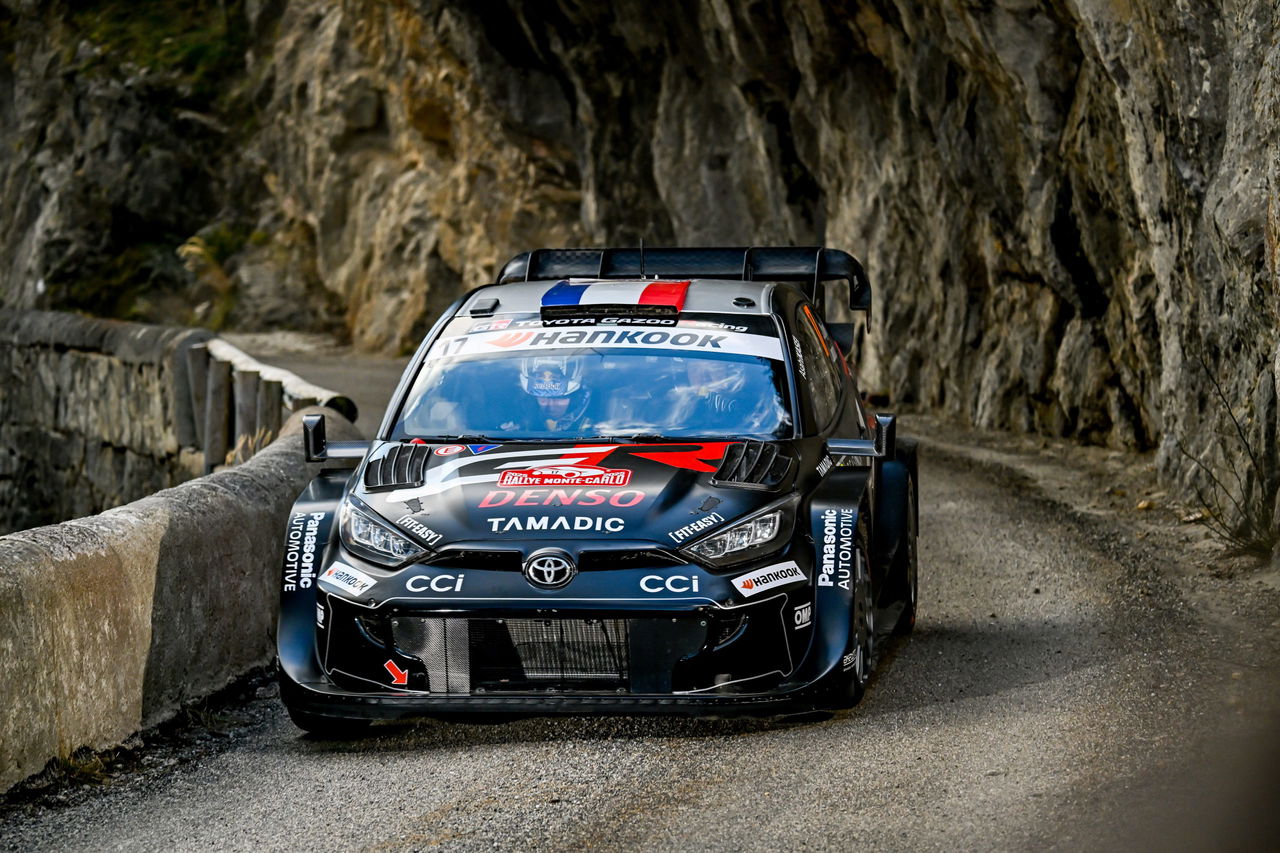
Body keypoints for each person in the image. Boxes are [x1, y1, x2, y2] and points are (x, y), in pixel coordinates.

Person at [502, 355, 594, 433]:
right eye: (543, 398)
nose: (550, 407)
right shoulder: (516, 425)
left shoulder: (596, 426)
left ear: (575, 399)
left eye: (559, 399)